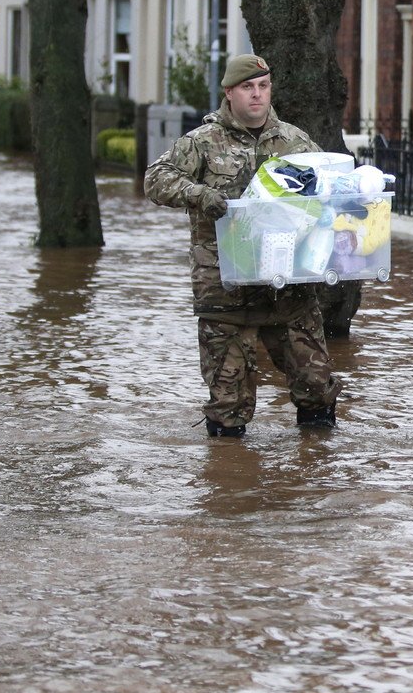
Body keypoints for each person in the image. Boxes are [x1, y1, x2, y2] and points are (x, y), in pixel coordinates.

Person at [144, 53, 343, 438]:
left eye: (263, 86)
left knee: (317, 389)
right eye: (247, 87)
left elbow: (333, 193)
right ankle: (230, 487)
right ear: (229, 93)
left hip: (288, 289)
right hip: (226, 292)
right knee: (229, 405)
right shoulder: (201, 142)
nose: (257, 95)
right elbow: (155, 179)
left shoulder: (296, 142)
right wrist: (199, 194)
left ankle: (313, 480)